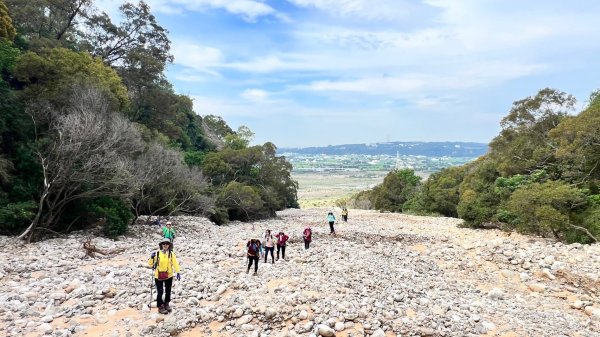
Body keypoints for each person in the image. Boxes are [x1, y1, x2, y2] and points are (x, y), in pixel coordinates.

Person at [148, 241, 181, 314]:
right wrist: (151, 257)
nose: (165, 245)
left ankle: (167, 304)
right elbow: (150, 264)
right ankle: (160, 306)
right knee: (160, 291)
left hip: (169, 275)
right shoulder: (157, 253)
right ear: (161, 245)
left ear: (169, 245)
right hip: (158, 275)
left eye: (167, 244)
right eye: (164, 244)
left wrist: (178, 271)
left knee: (168, 290)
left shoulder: (171, 254)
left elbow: (175, 263)